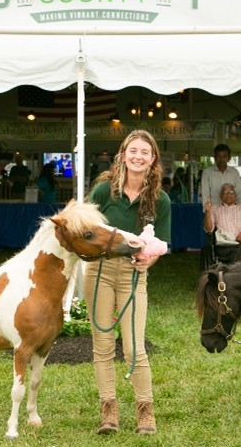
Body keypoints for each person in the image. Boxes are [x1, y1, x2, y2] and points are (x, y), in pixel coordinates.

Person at [84, 129, 170, 436]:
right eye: (133, 150)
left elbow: (162, 243)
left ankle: (145, 412)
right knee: (103, 345)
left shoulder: (160, 198)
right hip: (99, 273)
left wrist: (148, 259)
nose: (138, 156)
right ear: (123, 155)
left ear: (153, 159)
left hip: (134, 276)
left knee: (134, 347)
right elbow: (86, 228)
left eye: (144, 152)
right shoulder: (105, 191)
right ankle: (109, 412)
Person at [203, 183, 241, 263]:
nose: (228, 194)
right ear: (220, 195)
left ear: (235, 195)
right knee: (240, 248)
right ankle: (237, 274)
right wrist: (207, 212)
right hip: (225, 245)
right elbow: (208, 230)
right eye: (225, 192)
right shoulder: (215, 209)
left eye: (231, 191)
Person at [200, 143, 241, 210]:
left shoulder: (234, 172)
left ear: (229, 158)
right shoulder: (207, 172)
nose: (221, 159)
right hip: (214, 211)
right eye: (218, 156)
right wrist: (207, 212)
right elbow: (205, 194)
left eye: (224, 156)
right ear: (214, 157)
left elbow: (240, 194)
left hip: (232, 211)